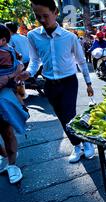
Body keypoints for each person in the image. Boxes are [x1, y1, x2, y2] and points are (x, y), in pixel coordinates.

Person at [15, 0, 95, 164]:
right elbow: (35, 60)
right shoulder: (32, 36)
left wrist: (88, 83)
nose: (42, 20)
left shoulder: (70, 37)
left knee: (69, 114)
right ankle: (78, 144)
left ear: (56, 12)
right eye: (38, 16)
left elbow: (81, 61)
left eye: (45, 15)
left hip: (68, 82)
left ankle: (83, 142)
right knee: (63, 118)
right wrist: (28, 73)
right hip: (49, 84)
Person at [0, 24, 29, 184]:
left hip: (5, 97)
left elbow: (18, 66)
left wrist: (12, 75)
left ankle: (11, 164)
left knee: (7, 132)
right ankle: (6, 156)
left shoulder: (5, 52)